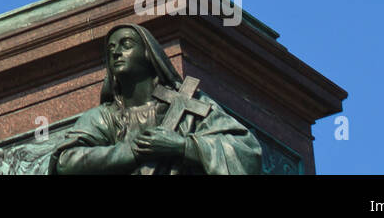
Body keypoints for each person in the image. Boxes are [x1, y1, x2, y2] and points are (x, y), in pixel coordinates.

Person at [49, 23, 263, 174]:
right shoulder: (104, 116)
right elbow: (67, 161)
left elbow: (246, 152)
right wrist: (132, 151)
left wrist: (182, 147)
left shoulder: (190, 104)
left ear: (148, 54)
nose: (115, 53)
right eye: (111, 49)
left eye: (126, 44)